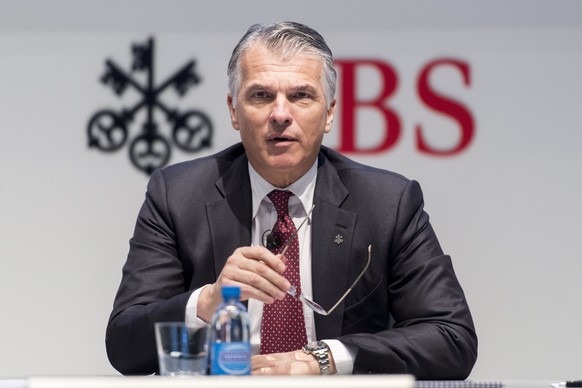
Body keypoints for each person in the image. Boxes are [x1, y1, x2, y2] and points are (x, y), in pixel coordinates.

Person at [105, 21, 477, 378]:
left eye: (301, 96)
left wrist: (325, 359)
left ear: (329, 112)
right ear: (234, 111)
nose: (280, 115)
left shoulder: (387, 203)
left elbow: (452, 338)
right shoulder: (177, 195)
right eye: (261, 96)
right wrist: (207, 302)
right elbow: (123, 344)